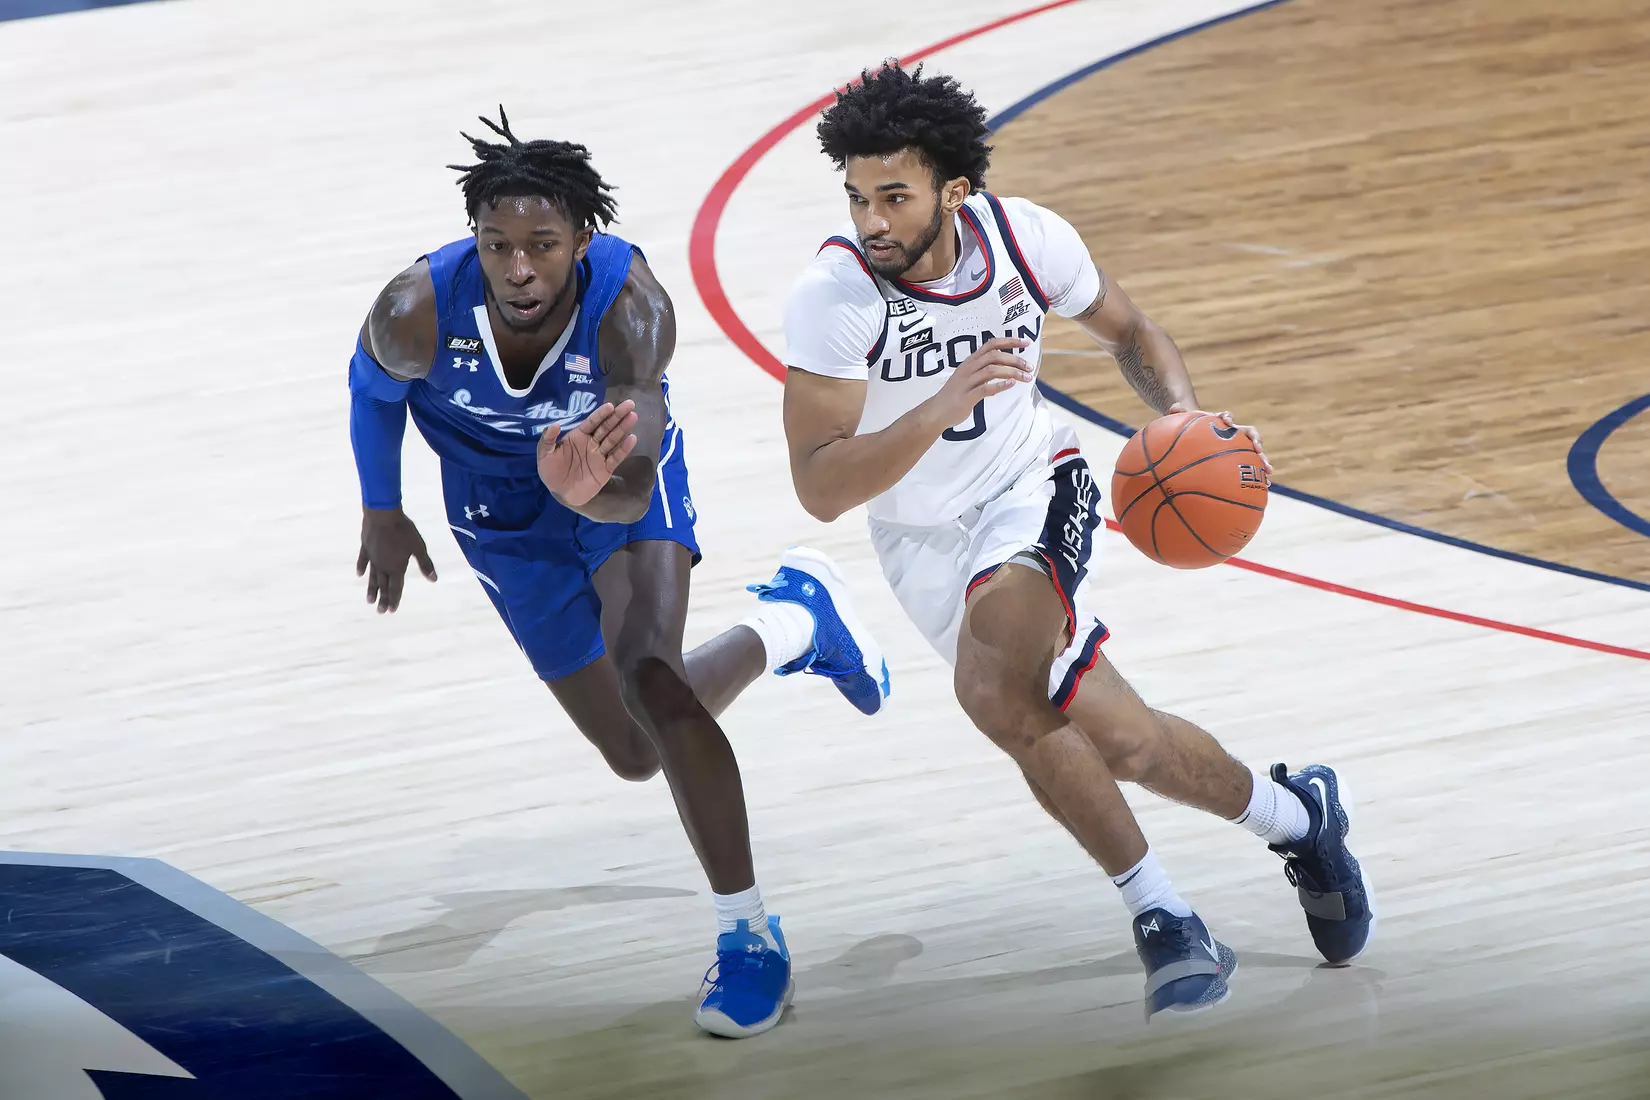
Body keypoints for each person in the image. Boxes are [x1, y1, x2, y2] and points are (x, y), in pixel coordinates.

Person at [778, 63, 1374, 1019]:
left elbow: (1132, 332)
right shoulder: (836, 296)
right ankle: (1301, 819)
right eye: (858, 197)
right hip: (919, 538)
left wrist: (1187, 420)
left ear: (954, 191)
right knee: (1127, 743)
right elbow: (819, 488)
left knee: (992, 687)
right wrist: (938, 406)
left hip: (1032, 487)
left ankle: (1167, 922)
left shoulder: (1027, 239)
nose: (873, 220)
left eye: (895, 195)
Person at [347, 108, 889, 1038]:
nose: (518, 267)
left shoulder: (630, 307)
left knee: (654, 682)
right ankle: (795, 623)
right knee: (634, 753)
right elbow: (371, 393)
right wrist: (382, 508)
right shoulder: (417, 307)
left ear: (582, 240)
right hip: (496, 509)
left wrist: (584, 492)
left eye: (542, 245)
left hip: (622, 482)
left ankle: (748, 936)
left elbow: (631, 491)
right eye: (497, 245)